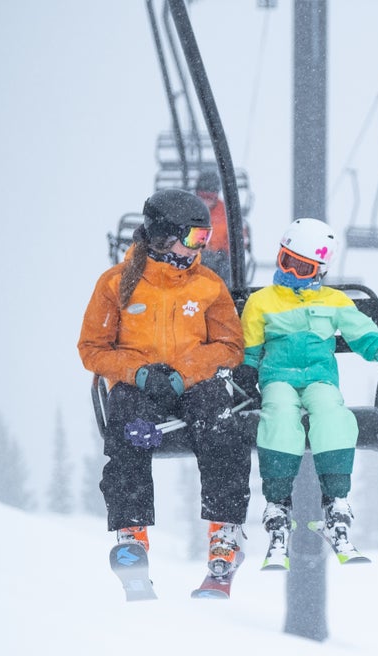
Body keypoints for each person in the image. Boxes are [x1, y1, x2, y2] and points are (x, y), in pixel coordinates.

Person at [78, 188, 252, 580]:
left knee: (220, 425)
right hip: (140, 386)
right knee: (129, 430)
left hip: (192, 382)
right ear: (162, 237)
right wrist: (138, 373)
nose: (199, 248)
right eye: (193, 238)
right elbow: (93, 348)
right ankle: (132, 535)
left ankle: (224, 532)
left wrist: (184, 372)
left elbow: (230, 345)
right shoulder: (116, 284)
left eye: (204, 239)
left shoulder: (207, 285)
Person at [235, 218, 378, 565]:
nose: (291, 272)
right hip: (278, 379)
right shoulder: (261, 302)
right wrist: (246, 372)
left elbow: (364, 336)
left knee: (333, 416)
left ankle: (336, 503)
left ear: (319, 271)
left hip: (320, 380)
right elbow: (250, 348)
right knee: (279, 417)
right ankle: (277, 505)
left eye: (303, 267)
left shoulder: (335, 302)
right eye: (286, 261)